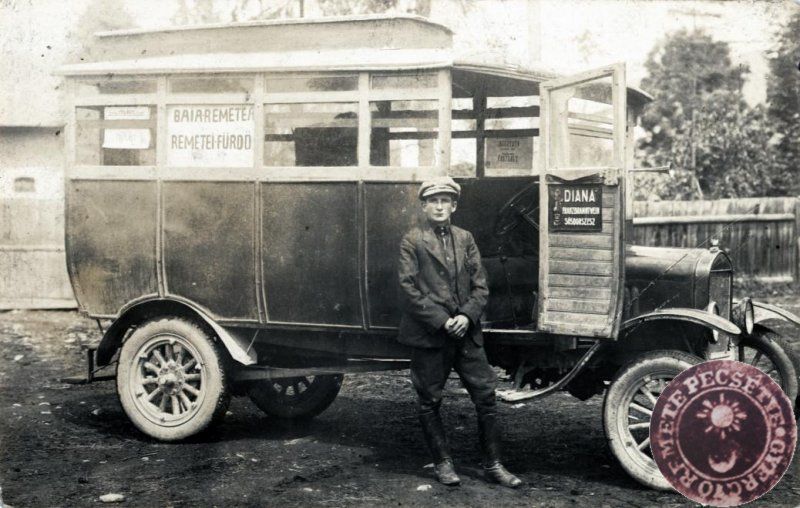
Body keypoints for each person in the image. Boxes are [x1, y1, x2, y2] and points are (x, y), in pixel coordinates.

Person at [397, 176, 522, 488]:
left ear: (453, 206)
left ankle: (493, 465)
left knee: (486, 397)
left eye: (445, 201)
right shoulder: (412, 240)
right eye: (433, 201)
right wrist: (442, 320)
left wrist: (466, 316)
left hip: (467, 334)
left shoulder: (465, 238)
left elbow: (481, 286)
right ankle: (443, 464)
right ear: (424, 205)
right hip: (431, 336)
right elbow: (407, 289)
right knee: (429, 400)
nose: (439, 206)